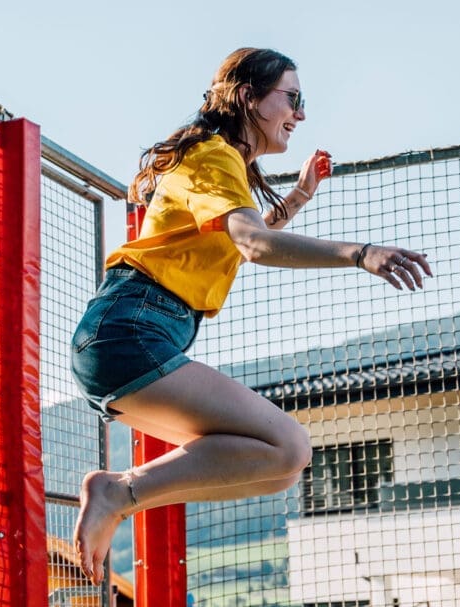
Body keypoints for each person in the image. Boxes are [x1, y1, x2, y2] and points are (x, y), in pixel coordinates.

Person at [70, 47, 433, 586]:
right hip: (131, 330)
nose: (301, 114)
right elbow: (255, 244)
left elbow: (238, 232)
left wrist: (300, 196)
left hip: (130, 339)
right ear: (248, 96)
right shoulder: (211, 157)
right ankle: (117, 492)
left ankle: (121, 492)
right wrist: (361, 254)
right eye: (293, 97)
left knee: (278, 462)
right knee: (289, 446)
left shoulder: (220, 166)